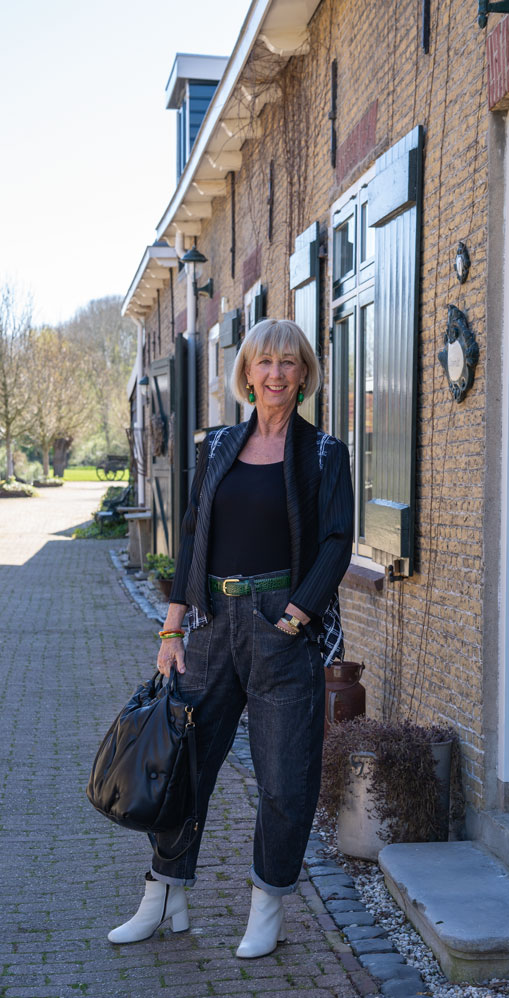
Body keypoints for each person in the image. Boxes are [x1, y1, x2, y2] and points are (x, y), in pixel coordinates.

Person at [107, 319, 354, 957]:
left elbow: (335, 544)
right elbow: (193, 534)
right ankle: (163, 893)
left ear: (304, 375)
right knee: (181, 762)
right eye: (264, 362)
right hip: (213, 625)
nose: (275, 374)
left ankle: (267, 905)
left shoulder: (325, 453)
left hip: (280, 628)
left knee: (284, 778)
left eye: (289, 363)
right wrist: (172, 623)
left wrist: (295, 617)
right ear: (246, 371)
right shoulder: (216, 447)